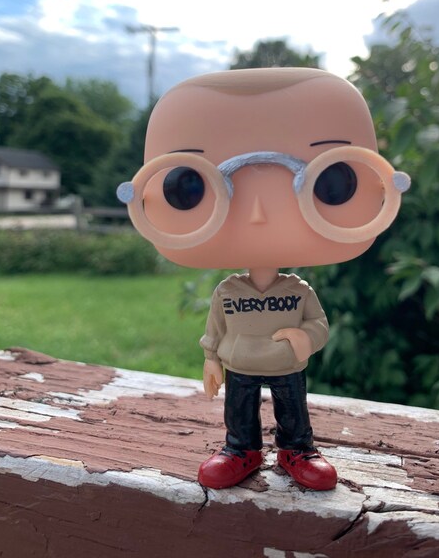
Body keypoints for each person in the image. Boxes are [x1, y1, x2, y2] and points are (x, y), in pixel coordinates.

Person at [117, 67, 409, 490]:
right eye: (189, 186)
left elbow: (318, 323)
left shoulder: (297, 291)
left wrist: (305, 339)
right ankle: (240, 449)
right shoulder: (228, 292)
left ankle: (297, 449)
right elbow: (215, 328)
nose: (257, 214)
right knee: (239, 410)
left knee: (293, 408)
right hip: (240, 364)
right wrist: (211, 359)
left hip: (287, 363)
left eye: (332, 182)